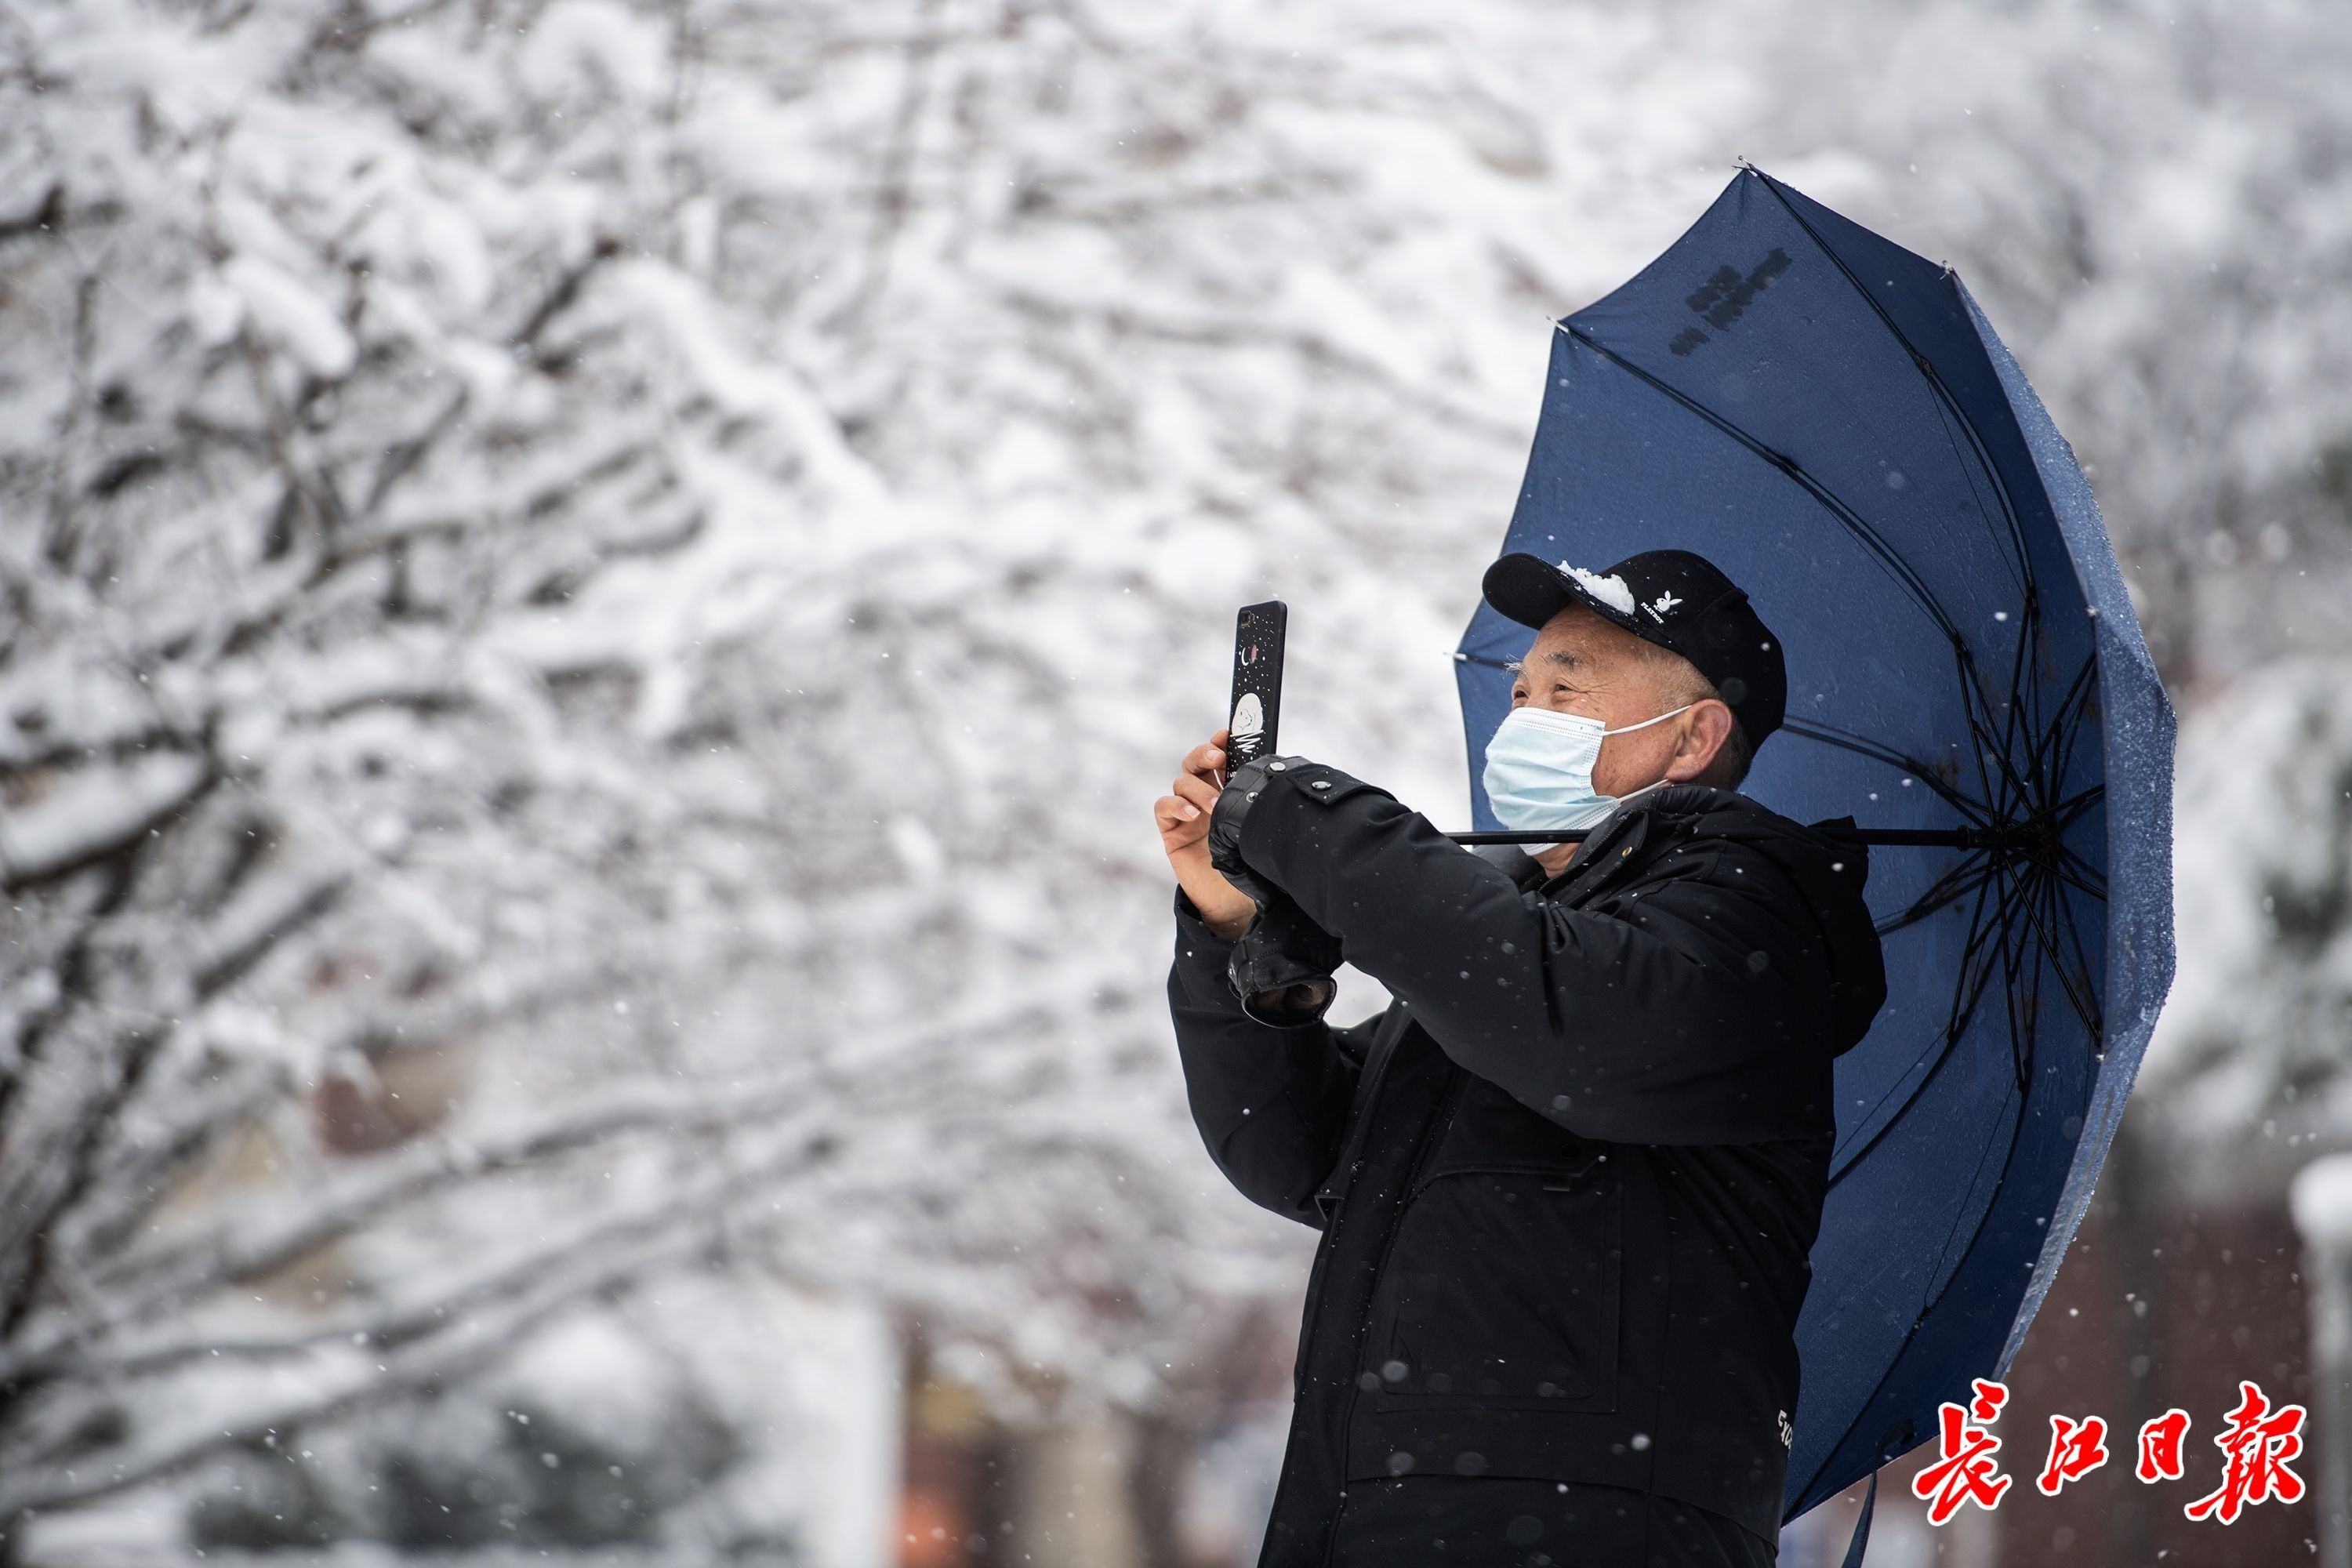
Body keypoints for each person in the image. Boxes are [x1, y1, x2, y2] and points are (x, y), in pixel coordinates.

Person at [1153, 549, 1888, 1567]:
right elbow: (1293, 1150)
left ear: (1693, 736)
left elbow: (1566, 1027)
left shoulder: (1754, 918)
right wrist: (1231, 933)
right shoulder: (1511, 947)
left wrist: (1310, 820)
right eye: (1522, 692)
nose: (1525, 718)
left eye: (1567, 689)